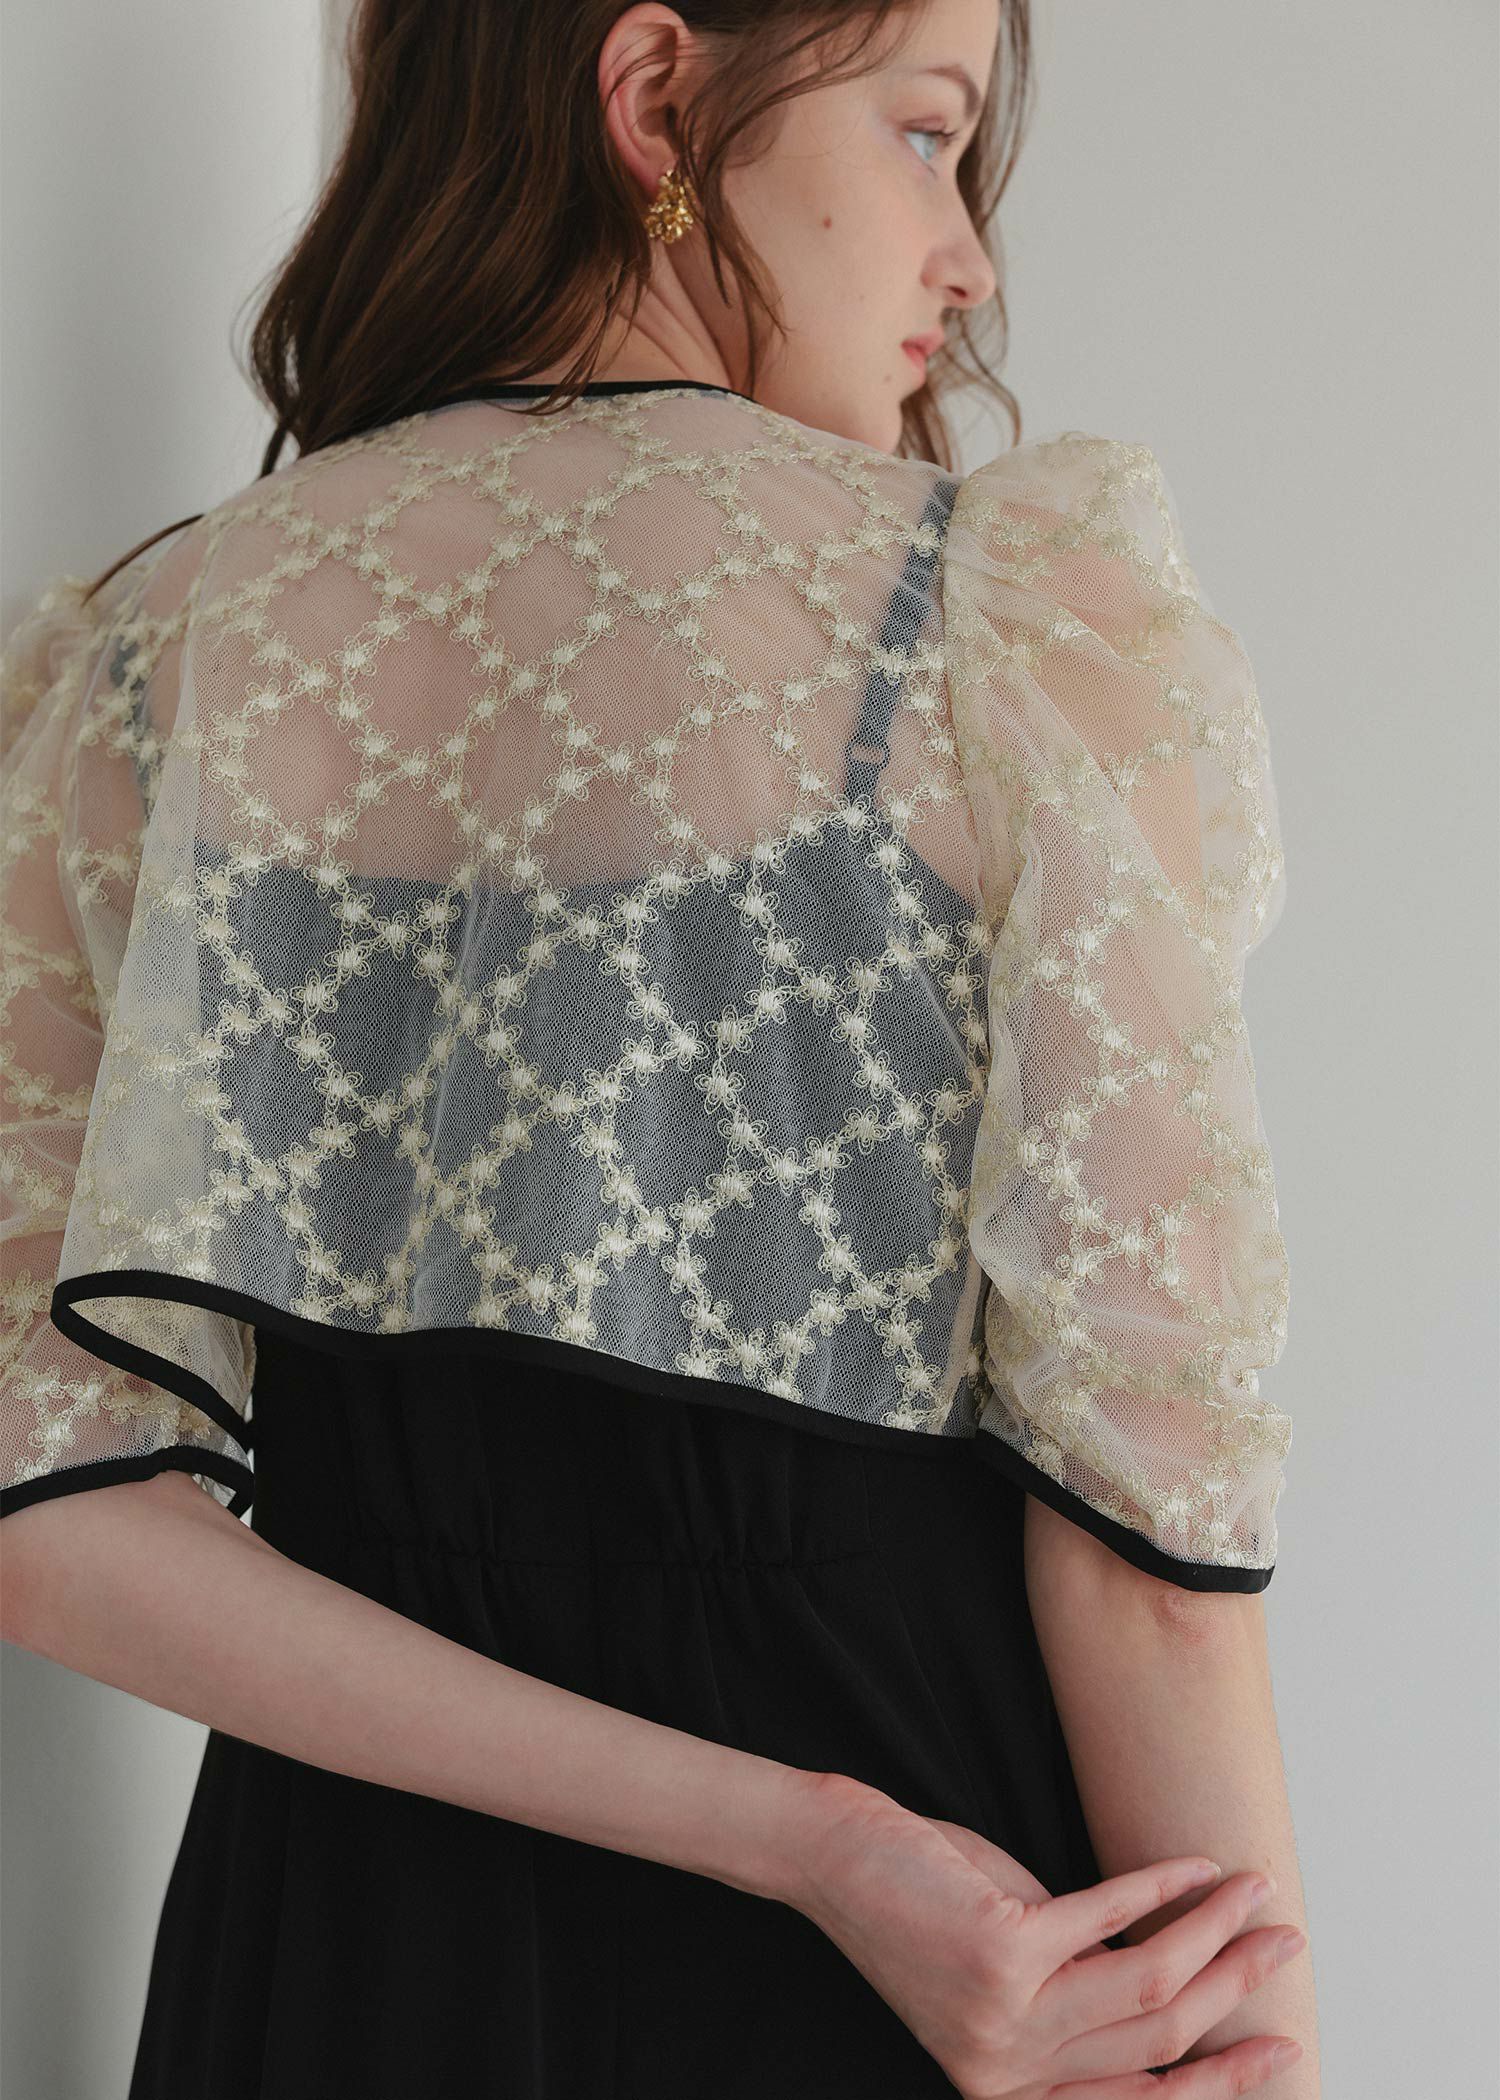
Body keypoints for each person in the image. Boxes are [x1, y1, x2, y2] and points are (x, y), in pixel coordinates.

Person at [0, 0, 1319, 2092]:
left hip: (342, 1958)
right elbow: (1147, 1558)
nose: (968, 254)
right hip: (966, 1966)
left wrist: (794, 1843)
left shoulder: (147, 660)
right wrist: (1239, 2053)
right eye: (924, 133)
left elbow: (55, 1520)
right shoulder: (1008, 634)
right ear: (656, 99)